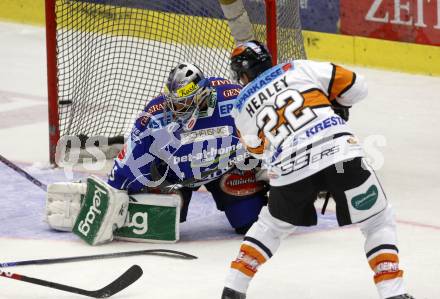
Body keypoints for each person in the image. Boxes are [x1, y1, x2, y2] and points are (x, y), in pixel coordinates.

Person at [220, 41, 414, 299]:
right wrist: (333, 103)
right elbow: (357, 86)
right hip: (340, 154)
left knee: (271, 226)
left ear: (242, 74)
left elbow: (256, 149)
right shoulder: (299, 68)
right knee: (377, 221)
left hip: (289, 166)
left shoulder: (241, 105)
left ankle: (233, 288)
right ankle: (393, 293)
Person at [46, 62, 268, 244]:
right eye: (173, 102)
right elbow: (130, 162)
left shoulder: (235, 99)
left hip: (228, 169)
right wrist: (107, 196)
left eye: (182, 104)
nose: (174, 109)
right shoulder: (154, 116)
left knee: (250, 223)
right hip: (174, 177)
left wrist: (270, 166)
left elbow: (271, 128)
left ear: (201, 97)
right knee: (166, 217)